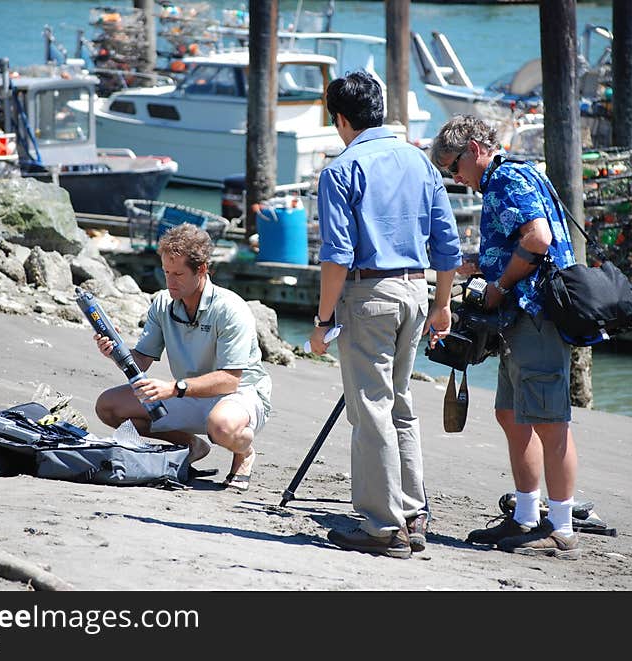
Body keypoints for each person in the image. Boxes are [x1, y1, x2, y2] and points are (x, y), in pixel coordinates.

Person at [309, 71, 462, 559]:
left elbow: (336, 254)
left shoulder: (341, 169)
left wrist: (322, 320)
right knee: (400, 402)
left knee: (371, 409)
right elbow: (448, 245)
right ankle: (413, 513)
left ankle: (382, 527)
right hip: (416, 291)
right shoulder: (420, 162)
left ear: (340, 118)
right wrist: (443, 304)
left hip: (368, 292)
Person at [430, 114, 581, 559]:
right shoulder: (509, 175)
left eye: (455, 167)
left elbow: (537, 239)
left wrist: (497, 287)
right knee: (511, 415)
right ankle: (526, 516)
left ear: (475, 148)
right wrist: (481, 263)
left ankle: (562, 527)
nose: (456, 177)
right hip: (520, 317)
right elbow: (519, 241)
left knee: (551, 423)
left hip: (536, 314)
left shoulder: (506, 178)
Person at [94, 223, 271, 492]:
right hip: (186, 392)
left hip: (239, 395)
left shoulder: (231, 308)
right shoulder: (163, 303)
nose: (170, 282)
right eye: (166, 272)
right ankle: (191, 445)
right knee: (108, 406)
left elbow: (230, 381)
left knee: (221, 427)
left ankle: (244, 452)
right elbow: (140, 360)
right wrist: (115, 351)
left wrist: (173, 388)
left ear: (201, 270)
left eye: (178, 274)